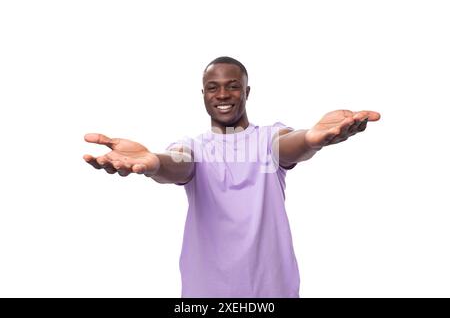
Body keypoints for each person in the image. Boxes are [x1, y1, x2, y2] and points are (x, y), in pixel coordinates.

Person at [83, 56, 381, 298]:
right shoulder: (192, 147)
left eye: (233, 86)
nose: (222, 95)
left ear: (247, 92)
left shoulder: (268, 139)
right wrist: (154, 163)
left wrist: (311, 139)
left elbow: (290, 144)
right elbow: (179, 164)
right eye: (213, 88)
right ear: (203, 94)